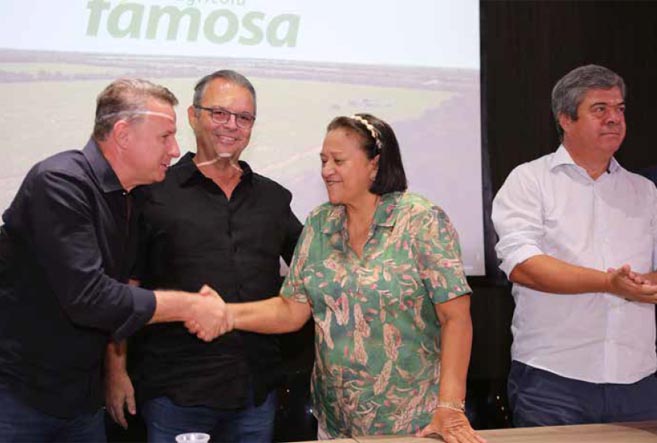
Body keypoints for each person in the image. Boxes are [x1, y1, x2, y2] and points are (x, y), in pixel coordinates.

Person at [212, 113, 484, 442]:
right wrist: (224, 313)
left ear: (375, 165)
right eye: (323, 160)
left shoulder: (421, 222)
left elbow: (455, 319)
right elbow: (291, 310)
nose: (327, 170)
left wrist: (450, 407)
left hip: (414, 424)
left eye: (338, 161)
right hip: (335, 426)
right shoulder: (319, 224)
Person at [0, 79, 231, 442]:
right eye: (165, 136)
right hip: (21, 399)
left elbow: (122, 289)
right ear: (123, 134)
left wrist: (115, 369)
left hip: (81, 399)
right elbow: (90, 298)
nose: (174, 150)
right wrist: (189, 306)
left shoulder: (131, 197)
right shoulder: (59, 183)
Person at [104, 70, 303, 443]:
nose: (232, 125)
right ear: (194, 117)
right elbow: (123, 290)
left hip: (255, 393)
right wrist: (115, 372)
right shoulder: (152, 193)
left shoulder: (274, 200)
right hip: (176, 392)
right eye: (219, 113)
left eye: (243, 117)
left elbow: (316, 271)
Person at [492, 64, 657, 427]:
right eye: (600, 109)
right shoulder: (530, 180)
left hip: (639, 379)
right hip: (554, 381)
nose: (614, 118)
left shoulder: (645, 191)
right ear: (565, 119)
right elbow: (523, 265)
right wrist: (609, 283)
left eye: (620, 109)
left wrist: (641, 285)